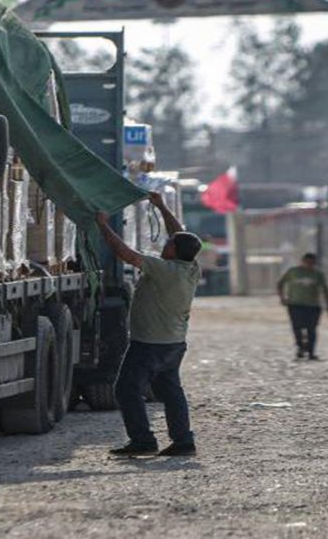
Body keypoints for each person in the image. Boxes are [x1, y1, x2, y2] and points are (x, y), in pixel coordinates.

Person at [94, 192, 203, 457]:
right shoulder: (191, 268)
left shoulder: (163, 268)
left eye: (169, 243)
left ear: (173, 251)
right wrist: (161, 206)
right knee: (171, 391)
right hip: (173, 343)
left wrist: (103, 225)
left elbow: (126, 254)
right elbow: (179, 235)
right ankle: (183, 441)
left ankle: (143, 440)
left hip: (149, 344)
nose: (165, 244)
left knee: (126, 389)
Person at [277, 253, 328, 361]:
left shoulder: (318, 274)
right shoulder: (293, 272)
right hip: (295, 305)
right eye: (307, 262)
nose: (309, 265)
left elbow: (325, 290)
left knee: (311, 329)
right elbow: (280, 283)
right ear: (302, 261)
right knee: (297, 327)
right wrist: (282, 297)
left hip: (313, 306)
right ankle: (300, 347)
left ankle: (311, 351)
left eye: (311, 263)